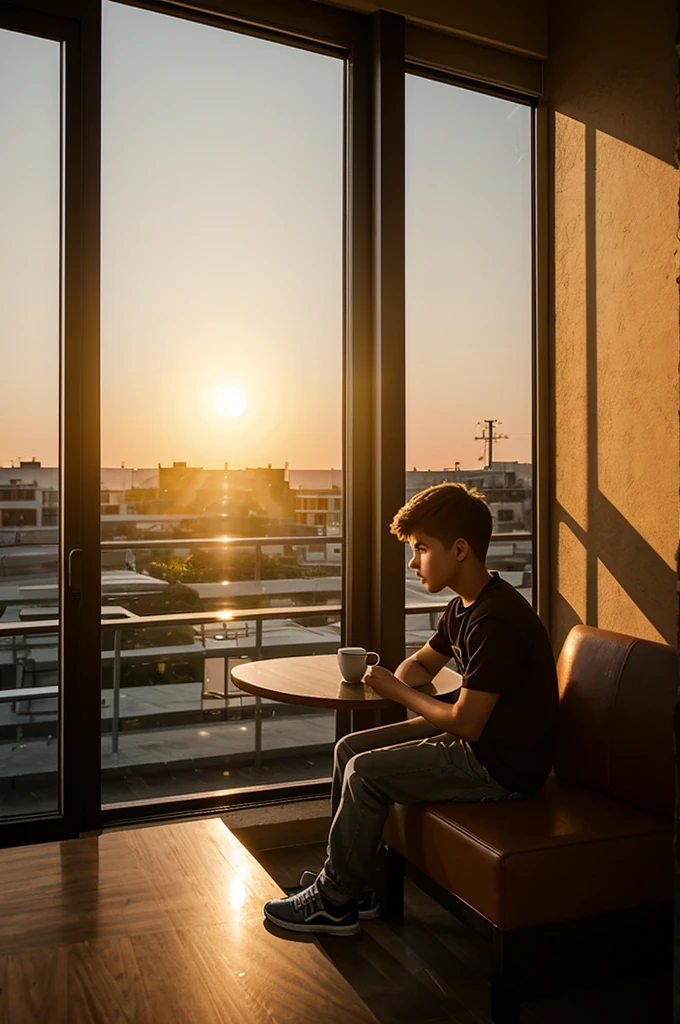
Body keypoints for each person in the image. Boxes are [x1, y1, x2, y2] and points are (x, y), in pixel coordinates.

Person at [263, 482, 558, 936]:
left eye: (420, 549)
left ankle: (334, 902)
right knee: (349, 748)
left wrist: (398, 695)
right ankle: (356, 887)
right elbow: (421, 663)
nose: (413, 561)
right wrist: (399, 683)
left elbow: (467, 724)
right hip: (479, 744)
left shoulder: (496, 620)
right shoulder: (463, 606)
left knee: (365, 772)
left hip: (502, 767)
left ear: (459, 550)